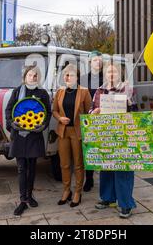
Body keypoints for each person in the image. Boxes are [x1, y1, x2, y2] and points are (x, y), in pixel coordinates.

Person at [90, 62, 137, 219]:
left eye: (114, 72)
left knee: (123, 170)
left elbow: (136, 111)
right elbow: (91, 110)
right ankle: (108, 198)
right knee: (106, 168)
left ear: (119, 74)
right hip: (105, 135)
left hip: (123, 134)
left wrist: (129, 101)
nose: (111, 74)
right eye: (108, 72)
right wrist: (94, 112)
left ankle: (125, 204)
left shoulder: (128, 89)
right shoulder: (99, 91)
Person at [5, 65, 52, 216]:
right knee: (21, 168)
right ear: (25, 77)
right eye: (30, 75)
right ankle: (22, 200)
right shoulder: (17, 91)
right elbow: (8, 110)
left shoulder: (42, 93)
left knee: (31, 168)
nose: (33, 77)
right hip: (19, 135)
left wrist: (43, 126)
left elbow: (48, 112)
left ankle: (30, 196)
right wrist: (12, 123)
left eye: (35, 75)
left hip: (34, 135)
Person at [53, 64, 92, 207]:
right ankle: (66, 190)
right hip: (63, 132)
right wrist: (59, 119)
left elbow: (89, 112)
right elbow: (54, 110)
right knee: (64, 163)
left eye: (71, 75)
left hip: (77, 132)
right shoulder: (60, 92)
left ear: (77, 77)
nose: (68, 77)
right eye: (66, 75)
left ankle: (77, 192)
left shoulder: (84, 92)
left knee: (78, 164)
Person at [84, 50, 104, 192]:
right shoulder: (84, 79)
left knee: (104, 149)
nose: (98, 62)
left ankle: (105, 179)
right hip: (88, 117)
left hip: (104, 117)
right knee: (89, 149)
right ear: (90, 62)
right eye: (95, 60)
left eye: (100, 60)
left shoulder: (107, 77)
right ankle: (89, 178)